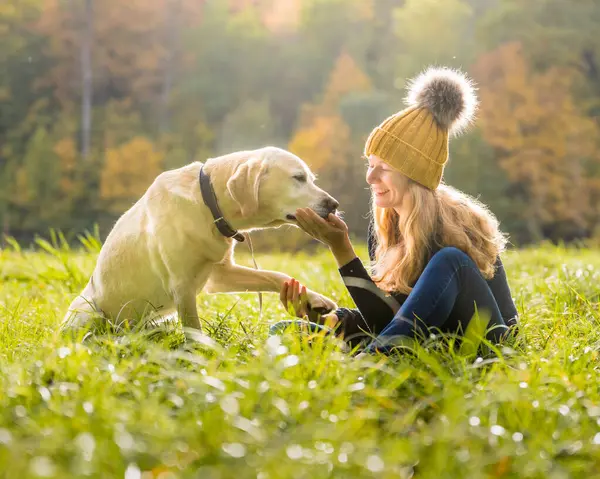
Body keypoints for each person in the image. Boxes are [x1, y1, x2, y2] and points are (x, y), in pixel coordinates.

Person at [272, 66, 519, 354]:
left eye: (384, 169)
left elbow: (411, 318)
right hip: (427, 342)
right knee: (286, 332)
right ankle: (373, 356)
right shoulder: (388, 223)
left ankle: (371, 361)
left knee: (450, 260)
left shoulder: (451, 225)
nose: (370, 178)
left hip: (487, 342)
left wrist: (342, 250)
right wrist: (329, 316)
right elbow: (391, 316)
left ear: (414, 176)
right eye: (370, 164)